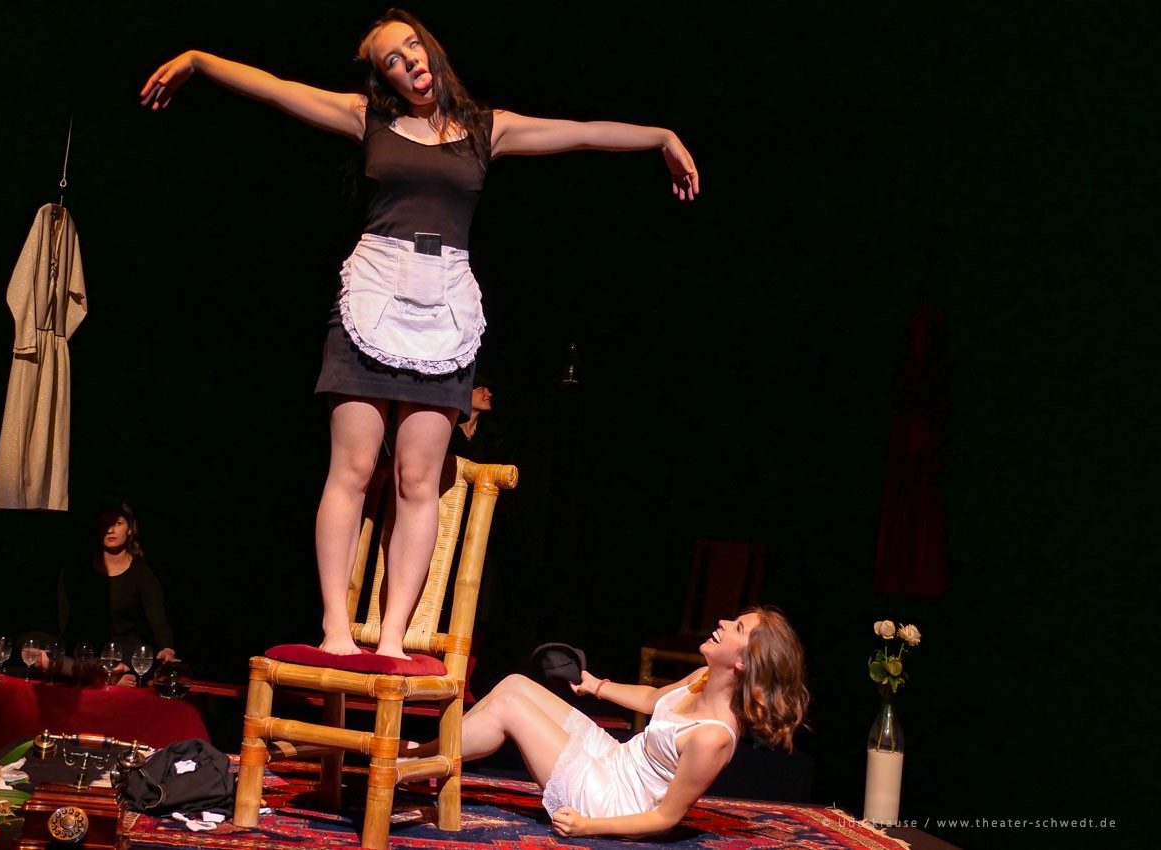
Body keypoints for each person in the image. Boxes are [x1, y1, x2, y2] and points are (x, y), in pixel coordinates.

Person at [140, 8, 699, 660]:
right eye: (392, 61)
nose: (409, 63)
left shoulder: (486, 128)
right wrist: (200, 60)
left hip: (443, 309)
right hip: (373, 297)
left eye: (412, 47)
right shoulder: (369, 121)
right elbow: (276, 89)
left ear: (430, 47)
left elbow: (581, 133)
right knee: (352, 469)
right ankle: (335, 628)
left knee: (418, 480)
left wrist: (662, 136)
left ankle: (393, 637)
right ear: (385, 78)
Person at [446, 606, 808, 839]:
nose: (723, 623)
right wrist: (596, 686)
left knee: (510, 706)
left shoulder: (713, 737)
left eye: (737, 627)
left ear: (744, 661)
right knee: (515, 684)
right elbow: (654, 699)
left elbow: (665, 818)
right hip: (614, 759)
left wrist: (587, 826)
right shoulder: (702, 677)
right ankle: (432, 754)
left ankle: (427, 758)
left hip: (611, 801)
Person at [49, 502, 178, 686]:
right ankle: (104, 676)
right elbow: (65, 617)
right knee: (34, 647)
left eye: (117, 523)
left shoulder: (141, 574)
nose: (110, 530)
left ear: (130, 529)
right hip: (86, 649)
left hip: (123, 651)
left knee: (144, 660)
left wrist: (167, 649)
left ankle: (106, 674)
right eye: (105, 525)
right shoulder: (79, 569)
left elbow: (158, 619)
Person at [447, 378, 506, 462]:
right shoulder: (447, 429)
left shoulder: (494, 435)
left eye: (488, 390)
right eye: (481, 389)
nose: (489, 394)